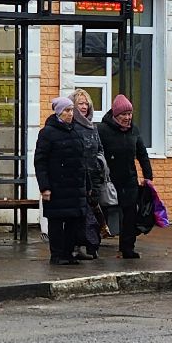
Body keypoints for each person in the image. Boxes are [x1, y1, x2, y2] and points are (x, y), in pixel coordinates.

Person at [34, 95, 91, 265]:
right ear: (59, 113)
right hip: (57, 186)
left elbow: (82, 161)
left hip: (75, 187)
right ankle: (57, 254)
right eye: (66, 110)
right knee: (57, 222)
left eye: (71, 110)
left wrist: (87, 185)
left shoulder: (76, 131)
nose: (70, 113)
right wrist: (45, 187)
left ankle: (68, 253)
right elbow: (40, 162)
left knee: (74, 221)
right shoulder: (47, 133)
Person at [98, 93, 155, 260]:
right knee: (106, 212)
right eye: (123, 114)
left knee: (130, 215)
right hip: (109, 180)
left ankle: (127, 248)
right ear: (115, 115)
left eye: (129, 114)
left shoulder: (133, 131)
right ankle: (94, 246)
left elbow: (142, 154)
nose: (127, 118)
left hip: (129, 179)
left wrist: (148, 175)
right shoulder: (103, 130)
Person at [73, 89, 108, 259]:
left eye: (87, 103)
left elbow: (99, 149)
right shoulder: (71, 126)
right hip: (78, 177)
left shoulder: (92, 127)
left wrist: (100, 164)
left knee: (95, 211)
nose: (84, 106)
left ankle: (93, 246)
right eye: (80, 103)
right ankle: (80, 245)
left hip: (94, 176)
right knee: (81, 214)